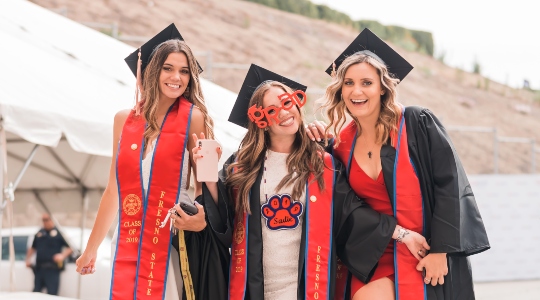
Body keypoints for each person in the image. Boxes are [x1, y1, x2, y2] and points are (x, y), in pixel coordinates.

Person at [195, 64, 430, 300]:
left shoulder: (322, 164)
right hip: (256, 288)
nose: (284, 113)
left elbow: (352, 213)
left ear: (297, 104)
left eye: (287, 103)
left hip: (305, 287)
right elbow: (221, 216)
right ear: (260, 120)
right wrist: (207, 174)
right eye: (272, 110)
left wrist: (403, 235)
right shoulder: (242, 165)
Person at [306, 28, 490, 300]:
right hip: (372, 252)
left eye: (367, 82)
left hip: (423, 250)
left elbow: (450, 186)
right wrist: (317, 145)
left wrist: (442, 251)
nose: (356, 91)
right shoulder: (342, 145)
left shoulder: (416, 123)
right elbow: (345, 206)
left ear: (383, 87)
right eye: (348, 83)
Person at [75, 23, 227, 300]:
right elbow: (114, 190)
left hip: (169, 235)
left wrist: (203, 215)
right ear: (152, 71)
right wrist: (91, 248)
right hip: (128, 235)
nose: (176, 77)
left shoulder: (194, 118)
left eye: (184, 71)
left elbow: (205, 179)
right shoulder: (124, 120)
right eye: (168, 68)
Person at [25, 213, 72, 295]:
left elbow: (71, 247)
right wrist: (27, 259)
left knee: (52, 293)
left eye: (47, 220)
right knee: (36, 293)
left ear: (52, 220)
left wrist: (62, 256)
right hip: (39, 268)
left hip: (52, 269)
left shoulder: (58, 233)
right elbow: (32, 248)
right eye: (43, 220)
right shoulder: (40, 233)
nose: (45, 222)